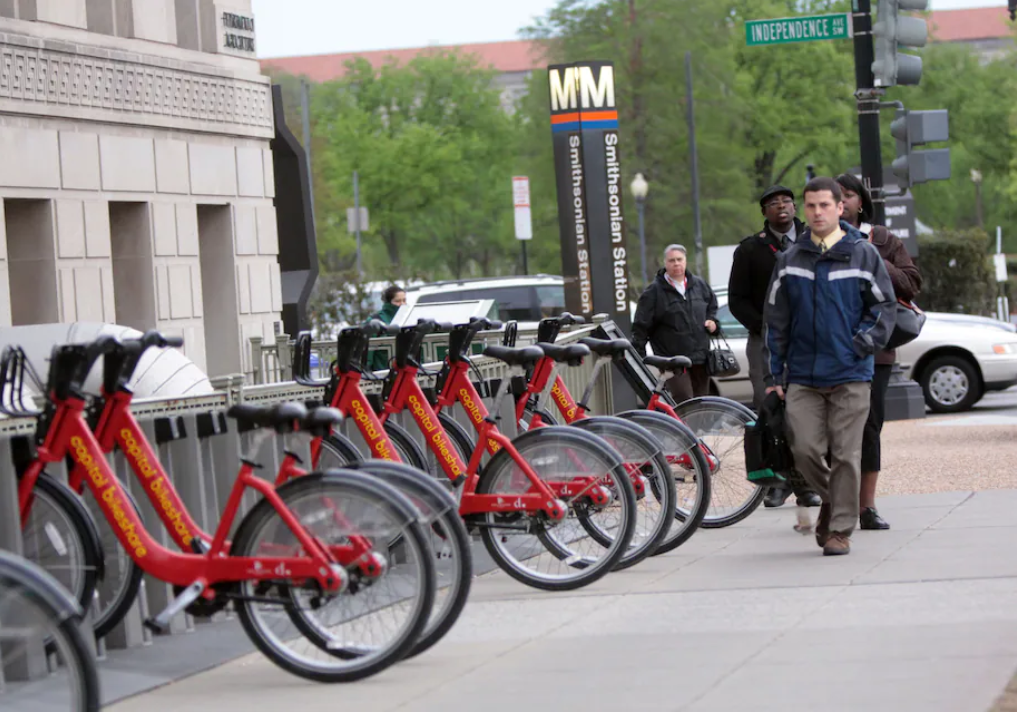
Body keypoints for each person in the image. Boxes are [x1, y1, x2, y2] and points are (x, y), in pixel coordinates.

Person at [764, 177, 895, 556]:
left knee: (846, 455)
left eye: (825, 205)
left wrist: (860, 345)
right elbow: (775, 323)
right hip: (803, 375)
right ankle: (834, 503)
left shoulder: (863, 254)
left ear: (840, 208)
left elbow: (884, 308)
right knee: (803, 449)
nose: (817, 212)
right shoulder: (789, 260)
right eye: (811, 206)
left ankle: (839, 529)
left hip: (851, 373)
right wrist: (775, 377)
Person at [835, 173, 922, 531]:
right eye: (835, 196)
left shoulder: (883, 239)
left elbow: (912, 284)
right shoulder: (817, 243)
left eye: (849, 195)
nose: (843, 202)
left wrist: (875, 259)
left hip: (877, 350)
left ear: (860, 202)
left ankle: (866, 507)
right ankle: (834, 502)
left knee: (870, 427)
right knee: (830, 430)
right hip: (830, 347)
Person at [729, 185, 819, 509]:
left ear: (795, 207)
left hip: (808, 340)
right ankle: (776, 481)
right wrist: (763, 325)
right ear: (764, 212)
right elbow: (736, 299)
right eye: (772, 203)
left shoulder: (815, 241)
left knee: (805, 410)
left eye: (786, 201)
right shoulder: (751, 249)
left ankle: (806, 483)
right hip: (765, 341)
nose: (780, 206)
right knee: (769, 408)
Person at [632, 244, 718, 403]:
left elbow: (712, 307)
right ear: (665, 263)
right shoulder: (654, 292)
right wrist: (639, 358)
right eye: (672, 260)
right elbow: (640, 326)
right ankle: (683, 428)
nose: (676, 263)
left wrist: (713, 322)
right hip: (672, 360)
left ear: (685, 261)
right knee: (684, 399)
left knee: (702, 401)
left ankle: (698, 429)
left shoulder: (700, 285)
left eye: (679, 259)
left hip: (700, 357)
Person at [365, 285, 405, 371]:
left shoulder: (407, 317)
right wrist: (367, 367)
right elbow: (368, 347)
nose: (402, 304)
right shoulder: (376, 319)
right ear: (388, 302)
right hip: (382, 370)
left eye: (404, 300)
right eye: (398, 301)